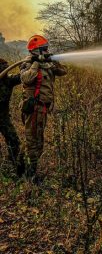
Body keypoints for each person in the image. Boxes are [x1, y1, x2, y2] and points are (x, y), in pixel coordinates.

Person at [19, 35, 67, 179]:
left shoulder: (48, 64)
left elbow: (63, 72)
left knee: (38, 140)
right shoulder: (27, 64)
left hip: (43, 109)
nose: (47, 51)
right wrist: (36, 63)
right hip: (34, 109)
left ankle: (23, 166)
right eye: (44, 49)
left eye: (47, 49)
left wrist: (54, 61)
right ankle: (28, 175)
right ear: (36, 51)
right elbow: (26, 79)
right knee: (33, 142)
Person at [0, 58, 22, 175]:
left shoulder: (8, 80)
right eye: (3, 67)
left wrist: (28, 65)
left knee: (14, 141)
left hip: (3, 118)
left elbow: (22, 77)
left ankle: (11, 163)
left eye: (6, 66)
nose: (6, 69)